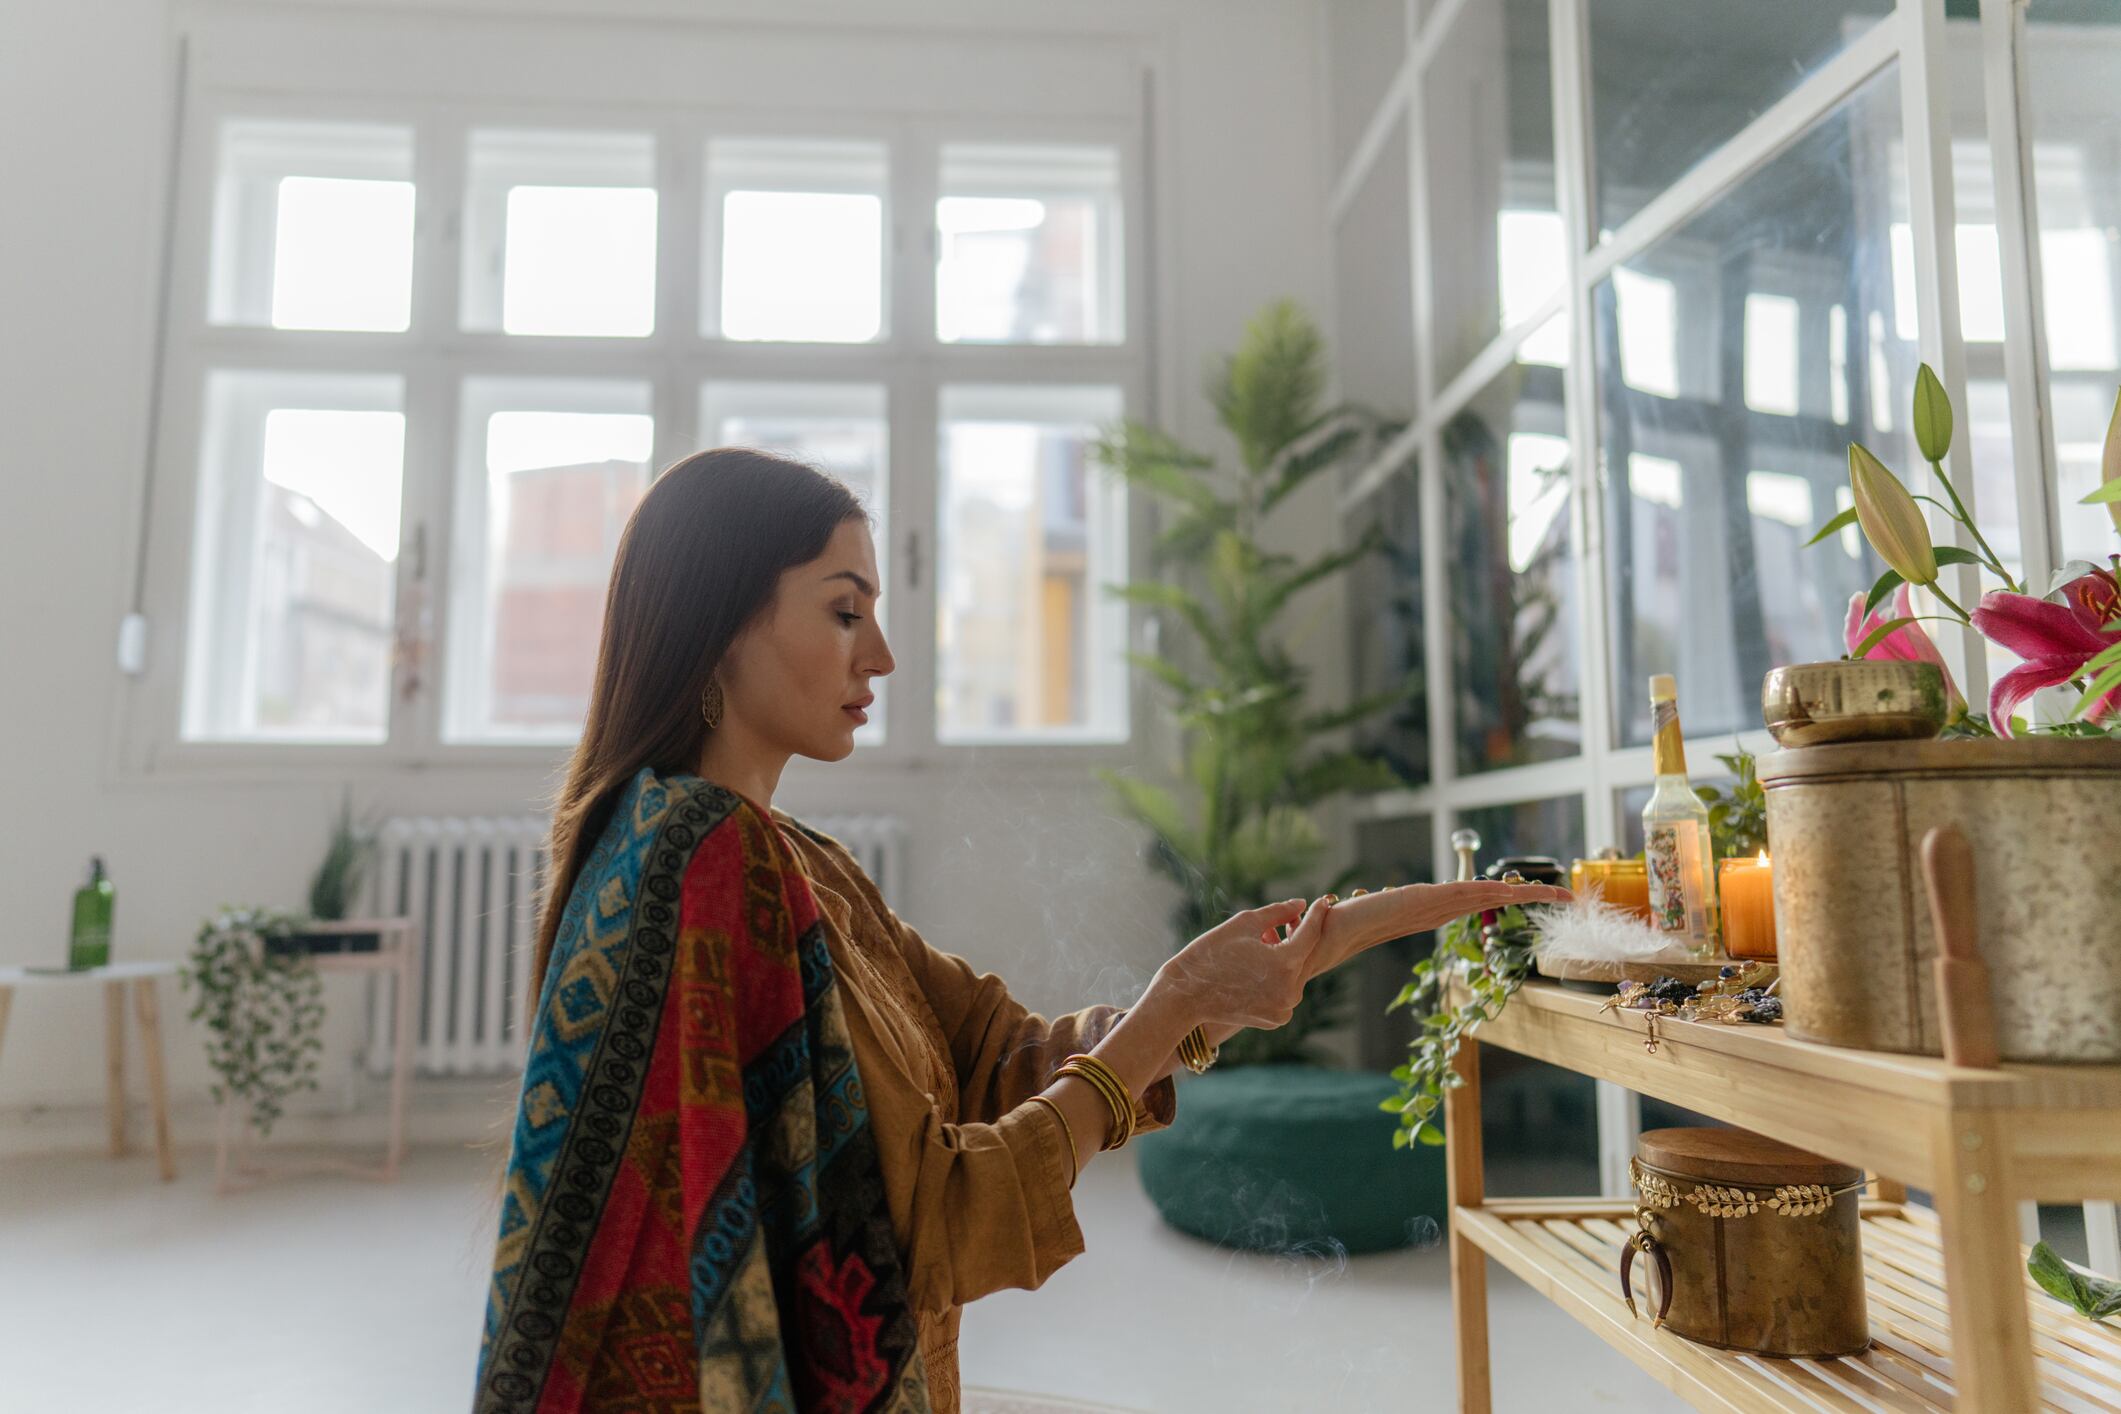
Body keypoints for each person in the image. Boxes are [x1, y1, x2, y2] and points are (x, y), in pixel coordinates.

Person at [474, 449, 1566, 1414]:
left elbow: (998, 1054)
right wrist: (1178, 1005)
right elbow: (934, 1229)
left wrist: (1218, 992)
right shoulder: (710, 871)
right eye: (844, 610)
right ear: (718, 626)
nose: (884, 654)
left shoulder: (789, 859)